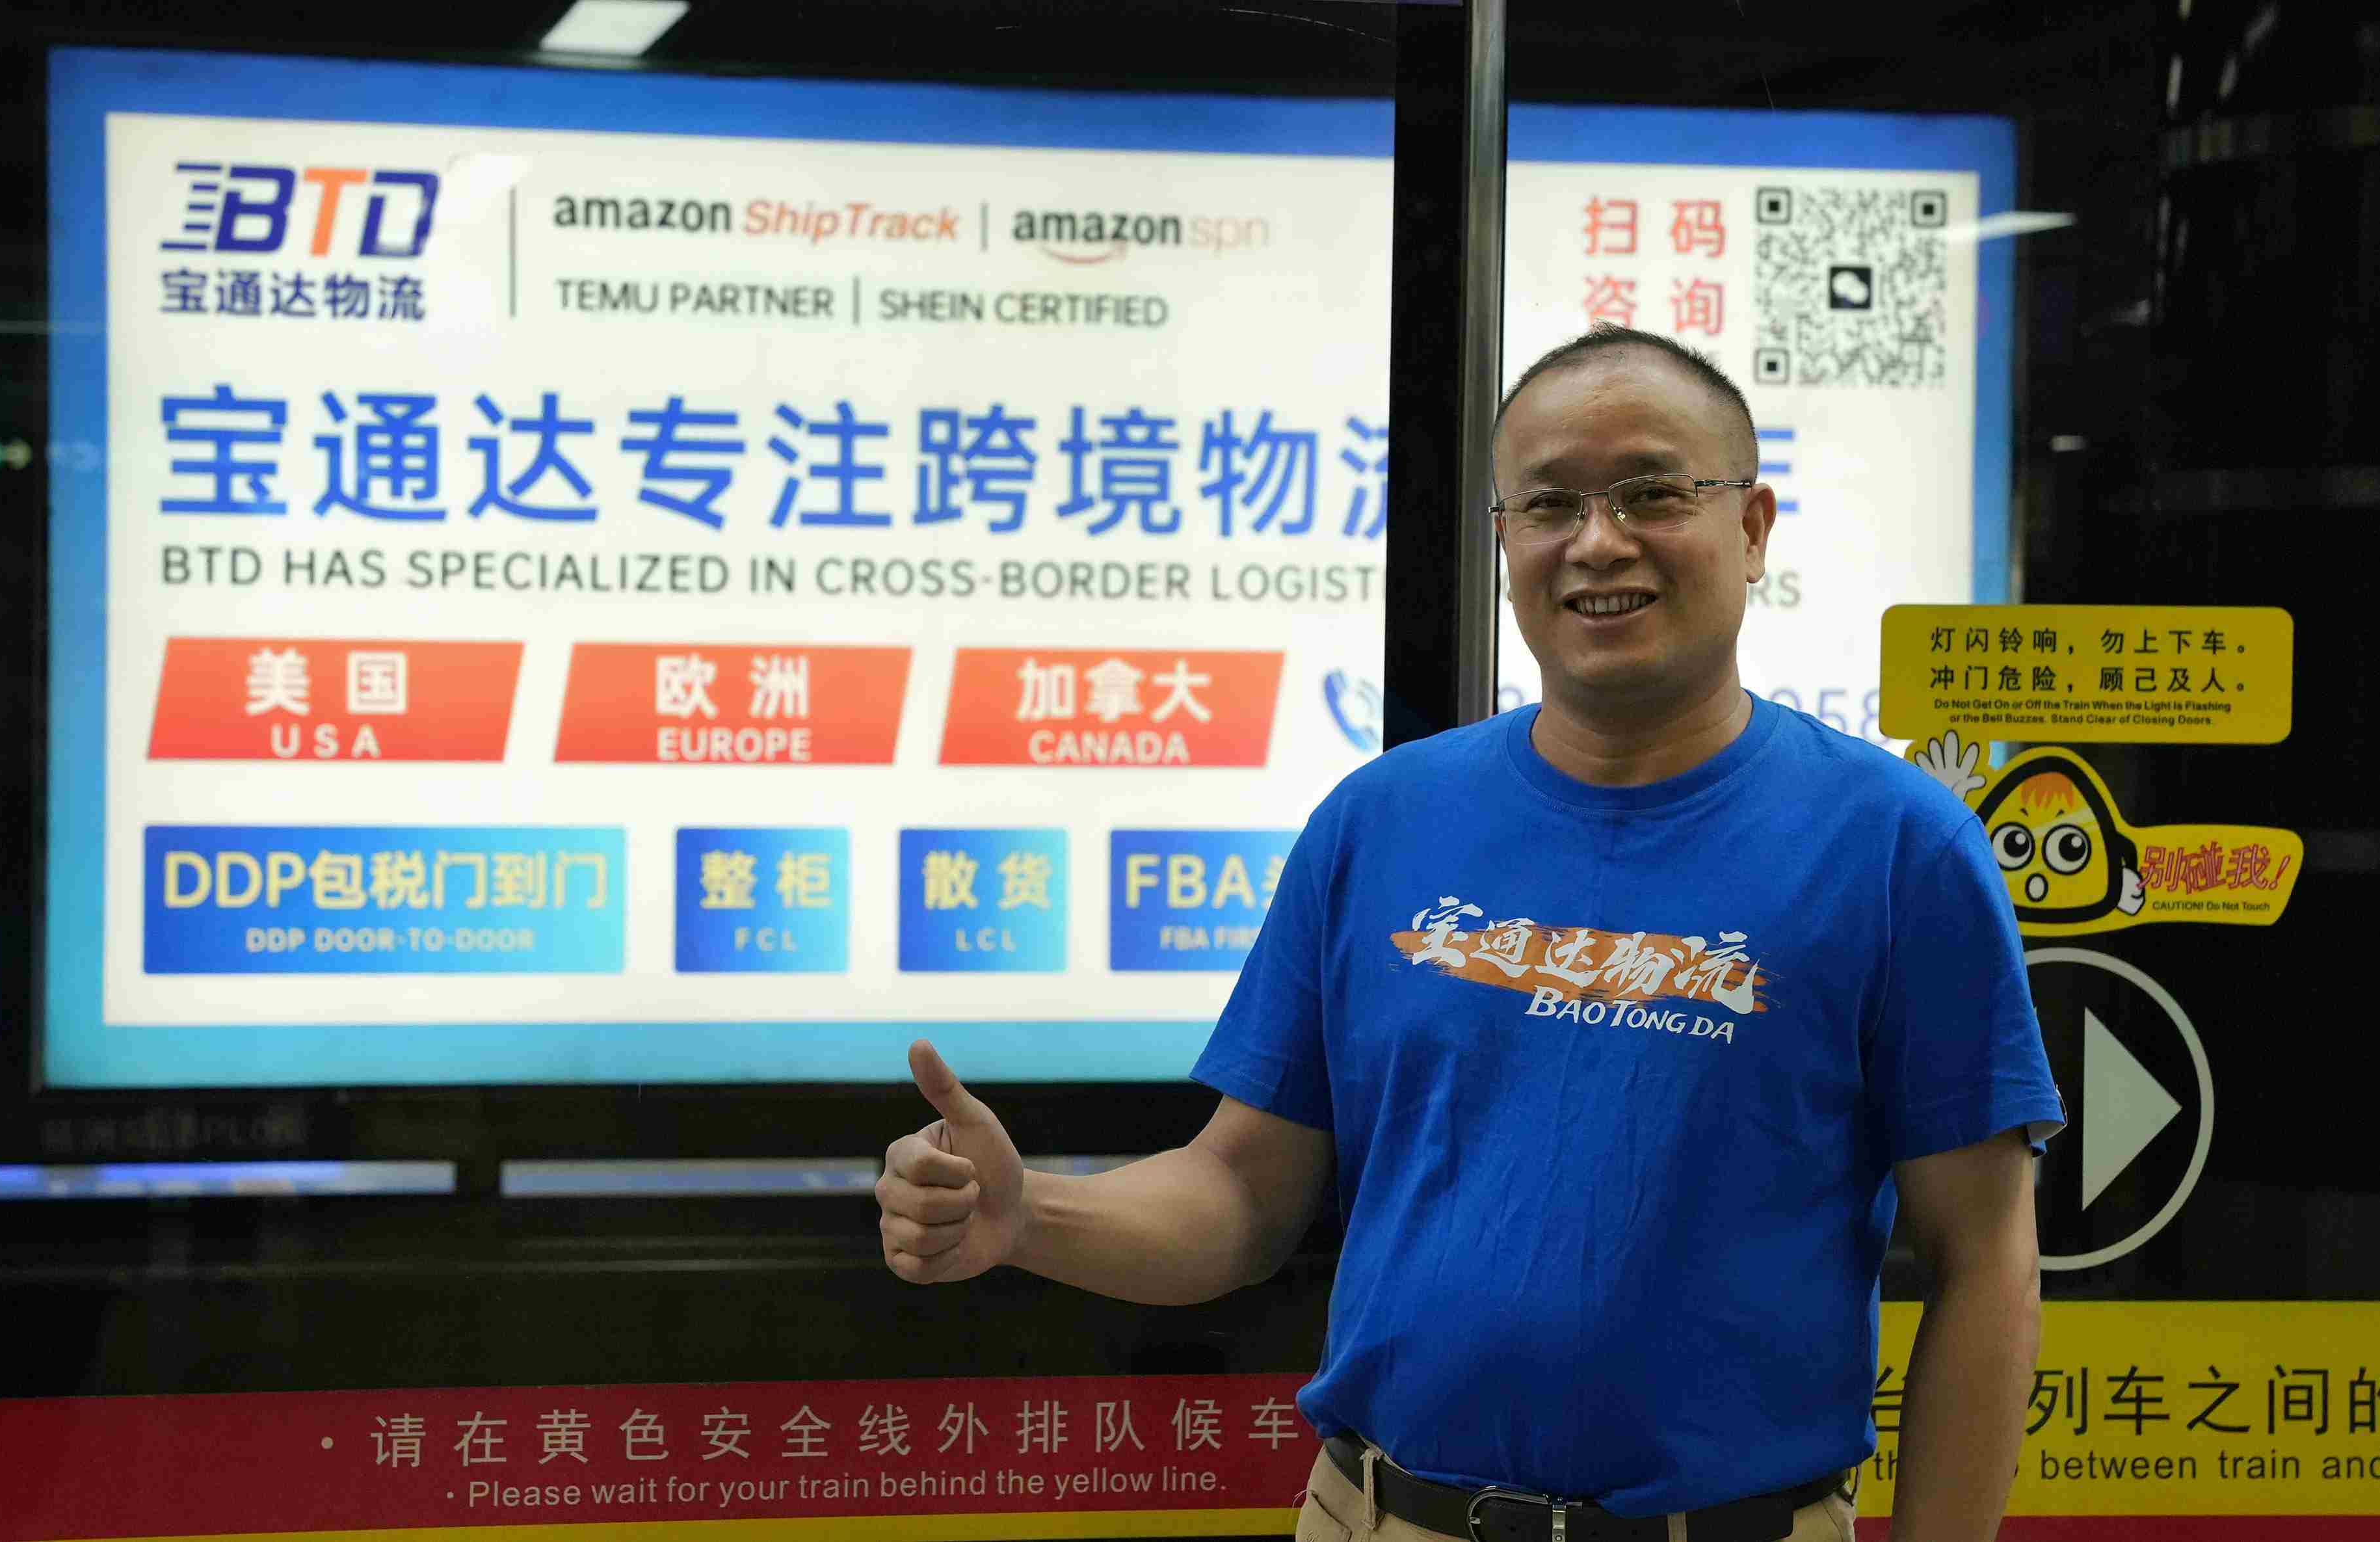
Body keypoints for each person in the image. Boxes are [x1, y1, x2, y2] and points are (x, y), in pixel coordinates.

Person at [877, 325, 2064, 1542]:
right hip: (1379, 1516)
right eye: (1548, 504)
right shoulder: (1381, 822)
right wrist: (1031, 1218)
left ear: (1753, 528)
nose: (1598, 541)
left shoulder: (1897, 848)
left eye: (1652, 493)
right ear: (1505, 540)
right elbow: (1239, 1193)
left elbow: (1985, 1263)